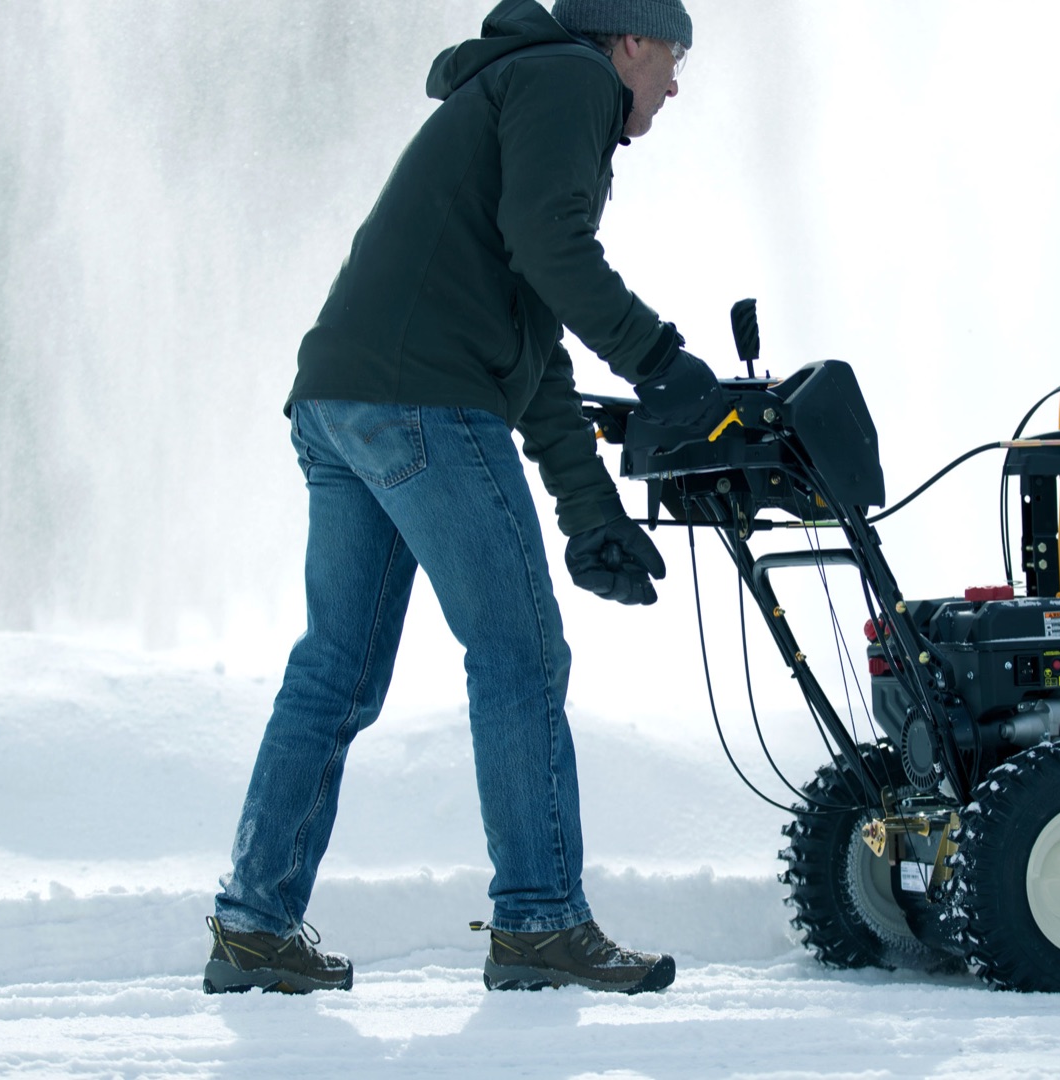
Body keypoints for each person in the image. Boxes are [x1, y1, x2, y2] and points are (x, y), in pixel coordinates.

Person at [202, 0, 723, 997]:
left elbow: (534, 341)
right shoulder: (573, 83)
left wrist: (591, 513)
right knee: (520, 654)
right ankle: (539, 920)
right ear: (627, 42)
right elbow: (549, 246)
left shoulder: (517, 93)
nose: (675, 81)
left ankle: (255, 923)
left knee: (335, 674)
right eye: (672, 55)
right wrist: (660, 358)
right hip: (420, 402)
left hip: (342, 400)